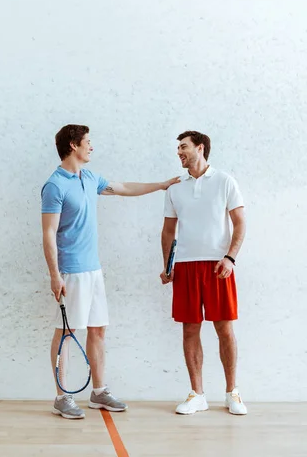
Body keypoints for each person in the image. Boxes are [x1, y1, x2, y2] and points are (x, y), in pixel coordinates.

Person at [42, 124, 179, 419]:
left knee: (98, 330)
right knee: (66, 332)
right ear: (72, 145)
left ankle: (99, 391)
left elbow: (125, 188)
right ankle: (61, 396)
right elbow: (48, 233)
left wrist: (160, 185)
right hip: (71, 271)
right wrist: (55, 274)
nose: (91, 147)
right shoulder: (54, 185)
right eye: (87, 142)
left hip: (94, 270)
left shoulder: (90, 179)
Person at [160, 130, 247, 416]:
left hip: (218, 266)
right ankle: (197, 394)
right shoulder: (175, 188)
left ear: (200, 148)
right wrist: (168, 266)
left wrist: (230, 258)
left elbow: (240, 223)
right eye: (178, 148)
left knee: (224, 329)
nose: (179, 152)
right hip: (185, 266)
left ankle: (232, 392)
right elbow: (168, 230)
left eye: (183, 147)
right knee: (190, 329)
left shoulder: (225, 181)